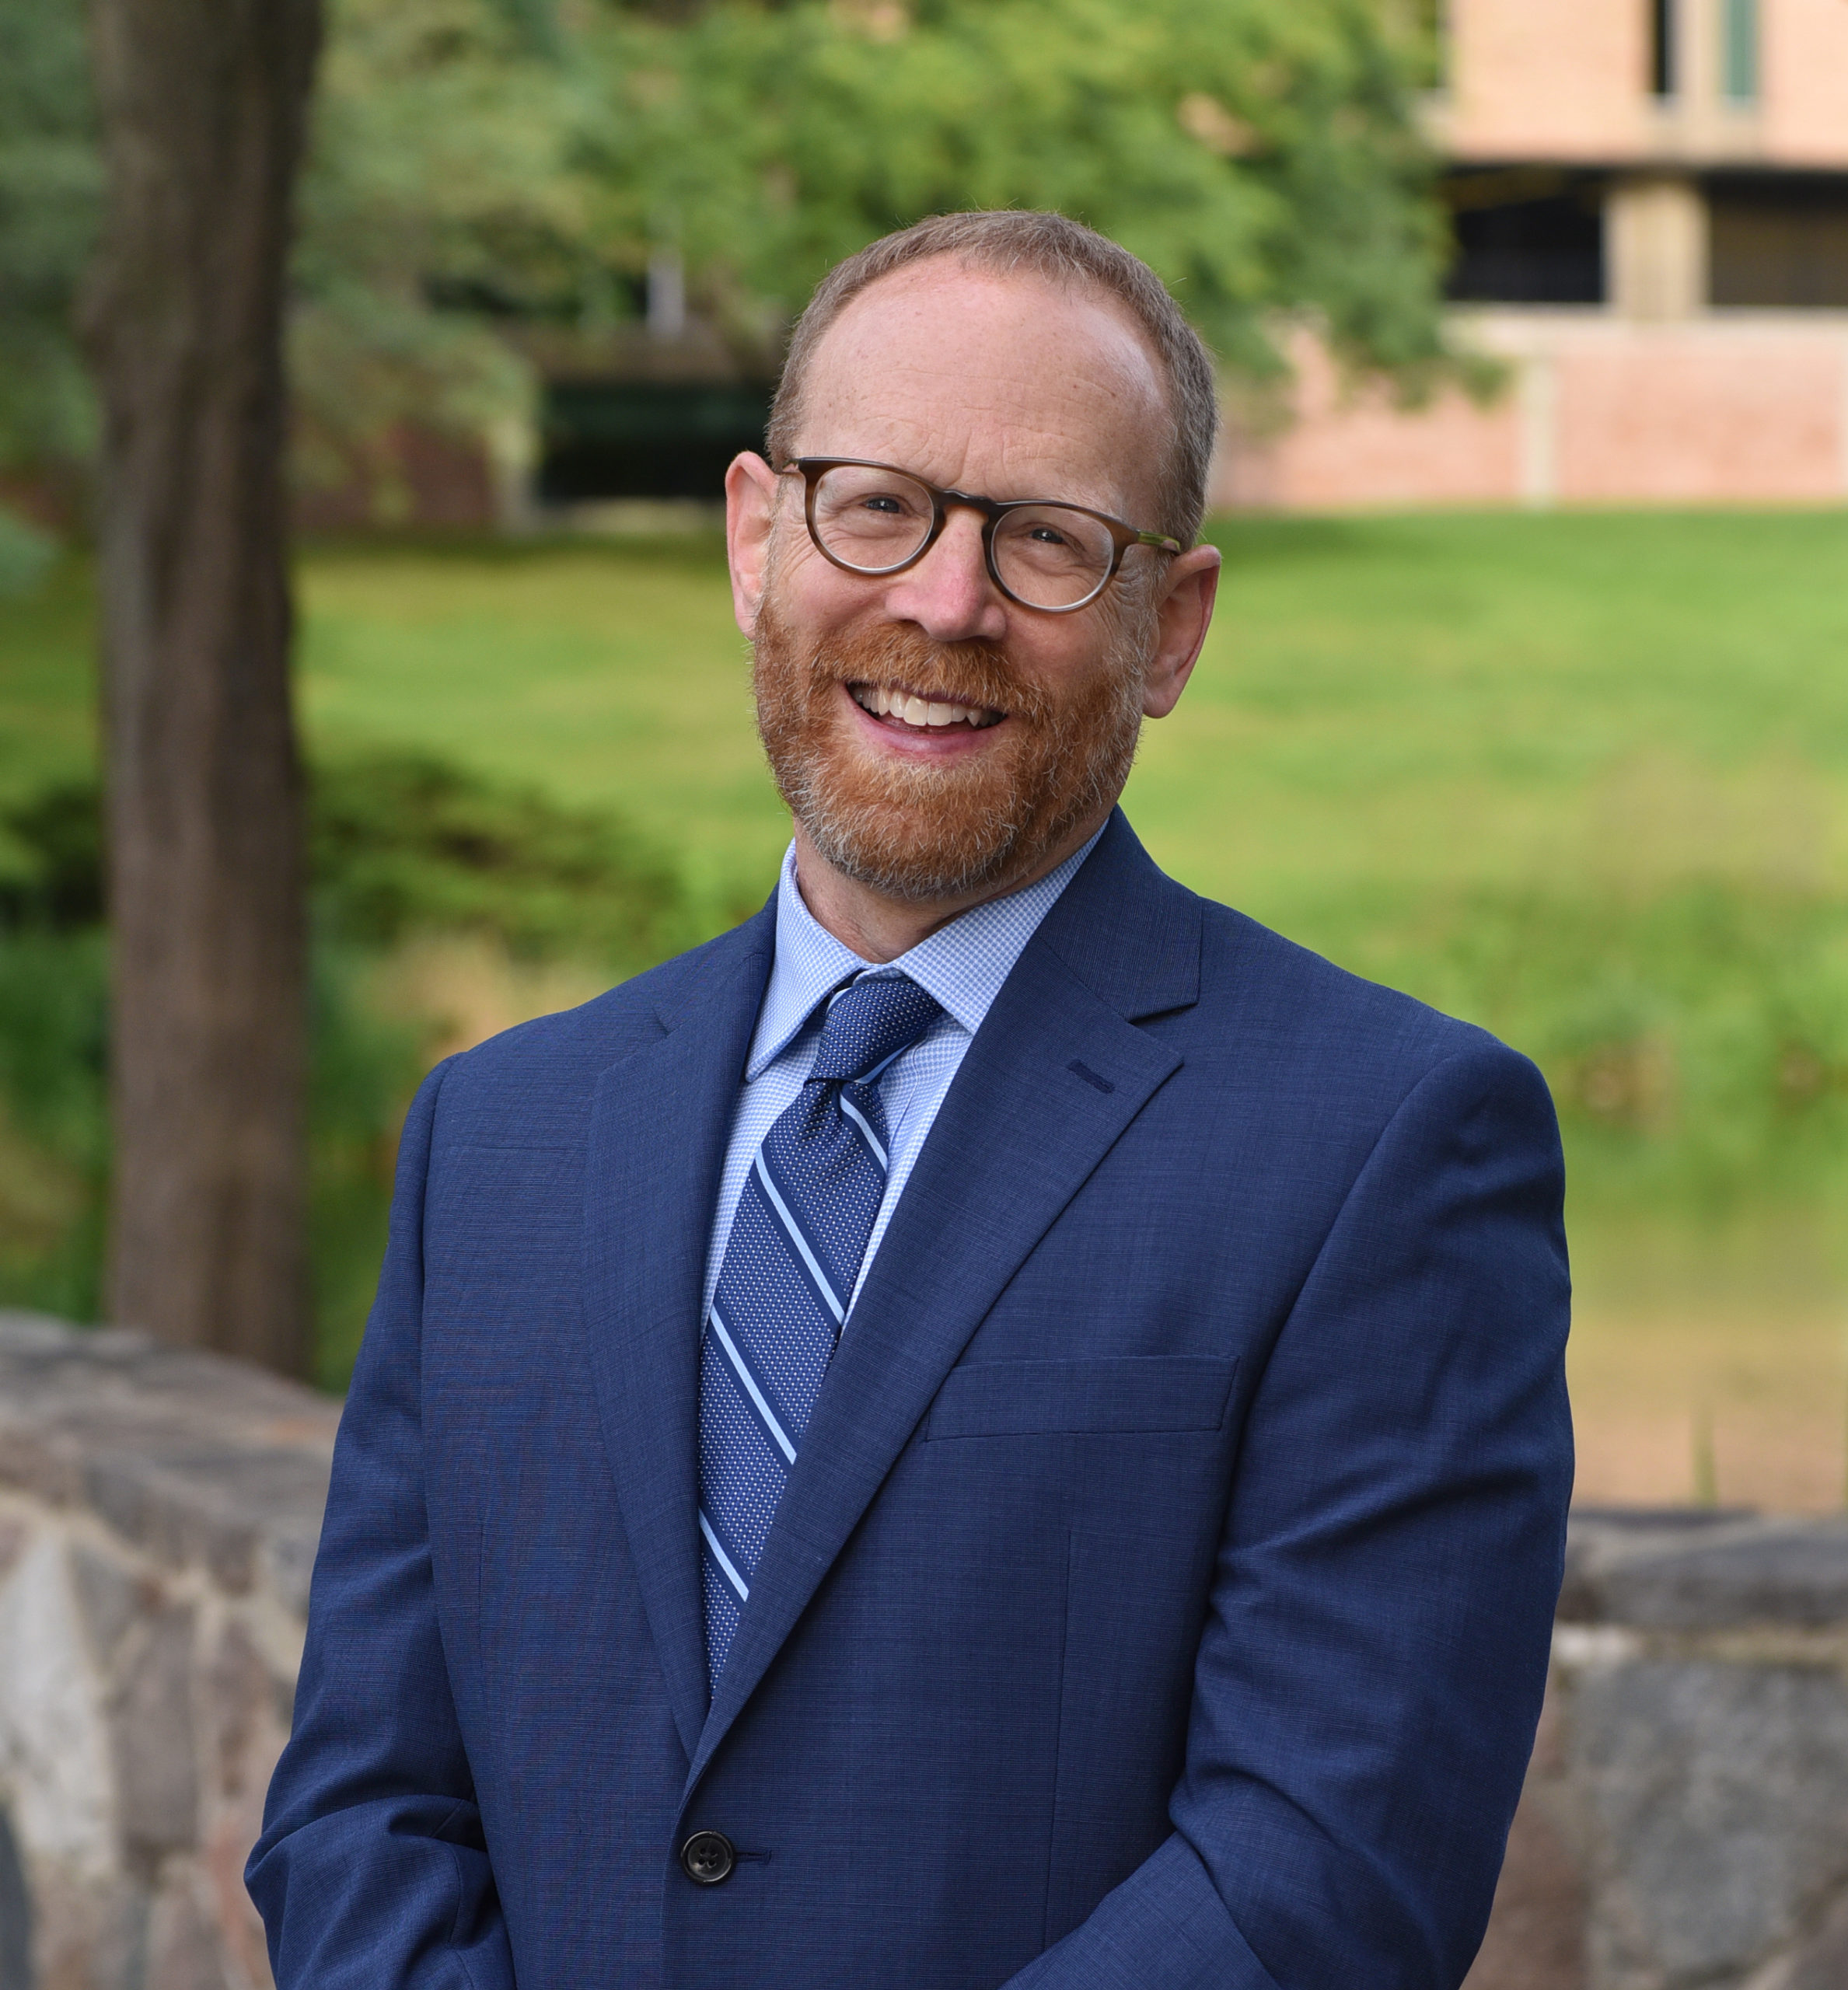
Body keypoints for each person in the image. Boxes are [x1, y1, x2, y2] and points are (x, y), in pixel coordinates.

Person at [248, 209, 1572, 1990]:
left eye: (1043, 540)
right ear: (753, 535)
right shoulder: (499, 1137)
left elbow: (1321, 1871)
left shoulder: (1382, 1145)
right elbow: (361, 1810)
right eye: (875, 504)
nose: (942, 602)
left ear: (1166, 627)